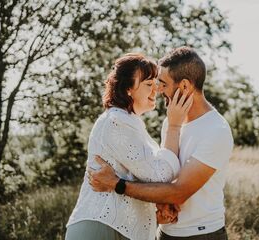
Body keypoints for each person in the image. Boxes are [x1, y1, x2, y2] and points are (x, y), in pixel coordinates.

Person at [89, 47, 234, 240]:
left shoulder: (216, 131)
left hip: (200, 234)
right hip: (164, 233)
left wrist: (117, 184)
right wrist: (161, 204)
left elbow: (178, 193)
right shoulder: (172, 121)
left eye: (163, 84)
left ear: (184, 86)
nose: (158, 90)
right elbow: (162, 176)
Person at [65, 53, 193, 240]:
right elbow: (160, 175)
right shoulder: (116, 121)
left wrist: (159, 205)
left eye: (156, 84)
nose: (155, 90)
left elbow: (140, 179)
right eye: (149, 84)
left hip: (117, 230)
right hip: (102, 228)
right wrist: (174, 125)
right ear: (127, 89)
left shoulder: (131, 124)